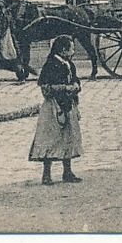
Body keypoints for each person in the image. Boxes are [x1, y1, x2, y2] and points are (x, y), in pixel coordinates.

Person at [29, 34, 83, 185]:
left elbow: (76, 81)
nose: (73, 51)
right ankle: (46, 174)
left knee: (68, 137)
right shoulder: (50, 64)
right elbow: (45, 88)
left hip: (68, 104)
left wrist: (76, 87)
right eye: (71, 48)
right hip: (53, 106)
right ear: (63, 50)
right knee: (50, 139)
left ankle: (67, 171)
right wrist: (65, 88)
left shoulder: (69, 65)